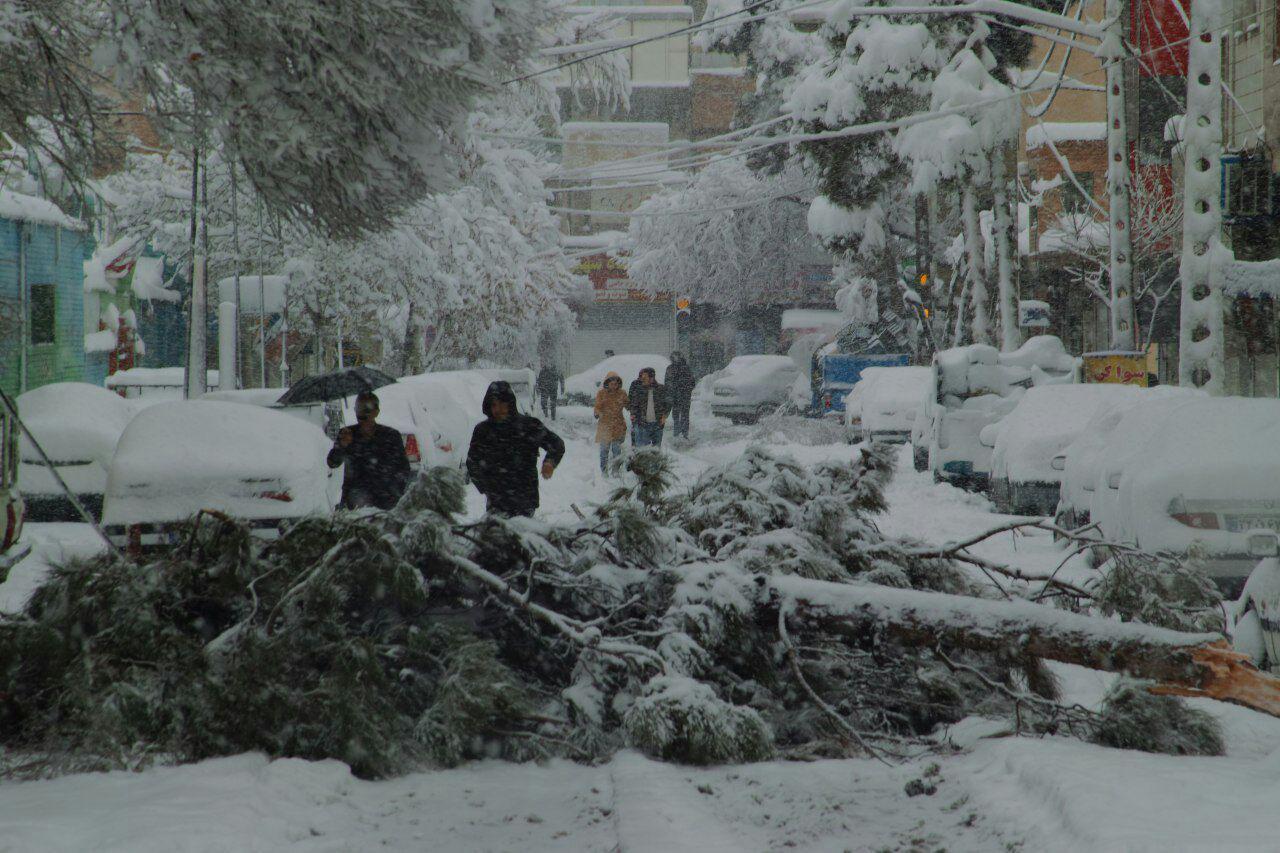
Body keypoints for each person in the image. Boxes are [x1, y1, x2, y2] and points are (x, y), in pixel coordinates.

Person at [466, 380, 565, 517]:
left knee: (523, 537)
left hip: (525, 501)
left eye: (502, 404)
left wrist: (550, 462)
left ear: (510, 403)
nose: (497, 409)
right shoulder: (483, 431)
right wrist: (487, 487)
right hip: (496, 503)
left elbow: (556, 444)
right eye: (494, 405)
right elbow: (472, 461)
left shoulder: (529, 426)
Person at [326, 391, 411, 510]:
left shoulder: (390, 436)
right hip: (354, 504)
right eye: (358, 409)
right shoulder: (347, 434)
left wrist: (392, 491)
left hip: (384, 503)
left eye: (366, 409)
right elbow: (332, 462)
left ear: (376, 412)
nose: (361, 414)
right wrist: (342, 445)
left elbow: (404, 469)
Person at [593, 371, 629, 475]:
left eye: (616, 383)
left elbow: (629, 405)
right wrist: (597, 413)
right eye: (612, 383)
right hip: (605, 426)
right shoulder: (601, 394)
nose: (614, 386)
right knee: (604, 451)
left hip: (618, 426)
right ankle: (604, 471)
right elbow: (597, 407)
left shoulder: (622, 393)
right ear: (607, 383)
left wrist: (634, 409)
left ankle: (616, 471)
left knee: (617, 451)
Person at [628, 367, 669, 447]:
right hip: (643, 424)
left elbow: (668, 403)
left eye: (644, 377)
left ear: (651, 378)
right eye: (641, 377)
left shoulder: (661, 389)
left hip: (658, 425)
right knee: (643, 450)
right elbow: (633, 404)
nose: (642, 379)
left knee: (656, 450)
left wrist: (664, 416)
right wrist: (633, 415)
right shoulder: (639, 390)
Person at [664, 352, 695, 440]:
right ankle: (678, 432)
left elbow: (692, 382)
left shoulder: (685, 368)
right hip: (677, 396)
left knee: (683, 414)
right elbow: (667, 382)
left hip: (683, 395)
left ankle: (683, 433)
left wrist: (686, 389)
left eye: (675, 357)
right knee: (677, 414)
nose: (674, 359)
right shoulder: (671, 368)